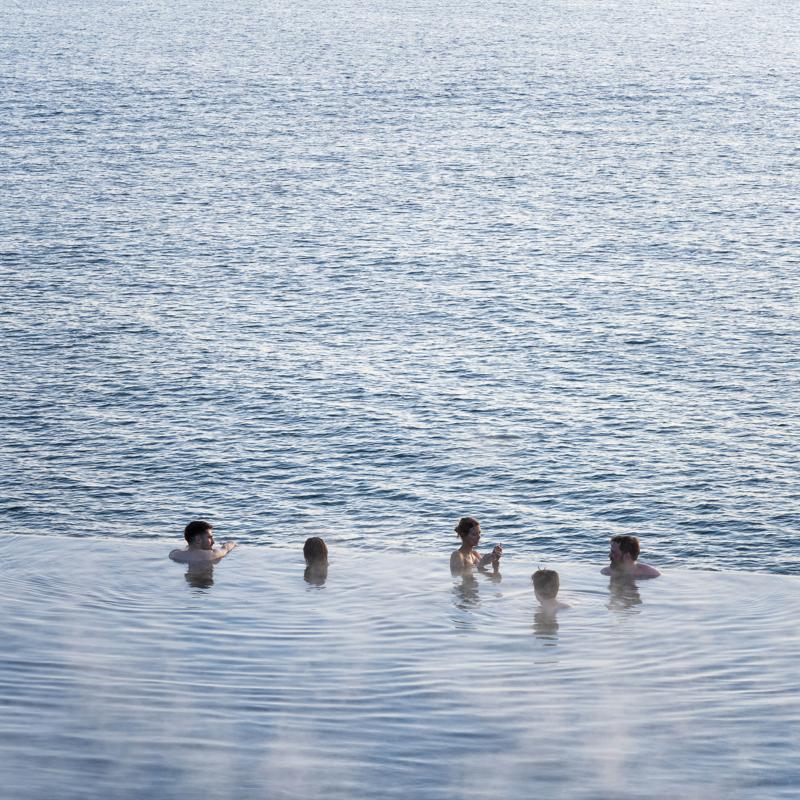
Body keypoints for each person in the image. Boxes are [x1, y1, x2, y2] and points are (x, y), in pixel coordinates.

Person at [169, 520, 237, 564]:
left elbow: (182, 550)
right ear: (198, 539)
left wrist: (189, 547)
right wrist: (232, 542)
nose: (213, 542)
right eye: (209, 537)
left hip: (191, 582)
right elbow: (226, 547)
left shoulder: (175, 555)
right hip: (205, 581)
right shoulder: (211, 555)